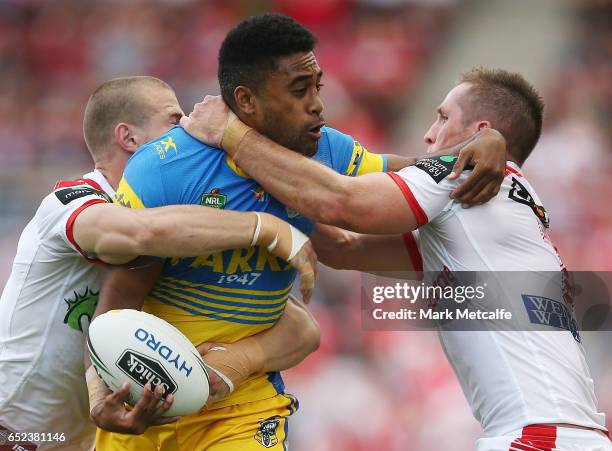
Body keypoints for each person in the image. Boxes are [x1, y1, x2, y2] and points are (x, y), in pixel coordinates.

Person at [97, 14, 507, 451]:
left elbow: (410, 173)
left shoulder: (328, 148)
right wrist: (101, 394)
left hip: (244, 405)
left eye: (318, 87)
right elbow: (121, 293)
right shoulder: (165, 167)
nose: (317, 105)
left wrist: (485, 144)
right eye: (299, 91)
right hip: (148, 398)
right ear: (246, 101)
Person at [182, 67, 612, 450]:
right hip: (559, 432)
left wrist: (235, 136)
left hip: (538, 435)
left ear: (479, 132)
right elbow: (342, 248)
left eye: (443, 117)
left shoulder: (463, 174)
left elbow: (339, 202)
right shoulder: (487, 212)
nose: (429, 133)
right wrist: (260, 194)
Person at [0, 75, 319, 451]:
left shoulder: (181, 229)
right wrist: (264, 226)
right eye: (174, 119)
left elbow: (301, 326)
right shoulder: (73, 201)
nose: (188, 129)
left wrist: (238, 360)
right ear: (128, 138)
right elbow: (139, 233)